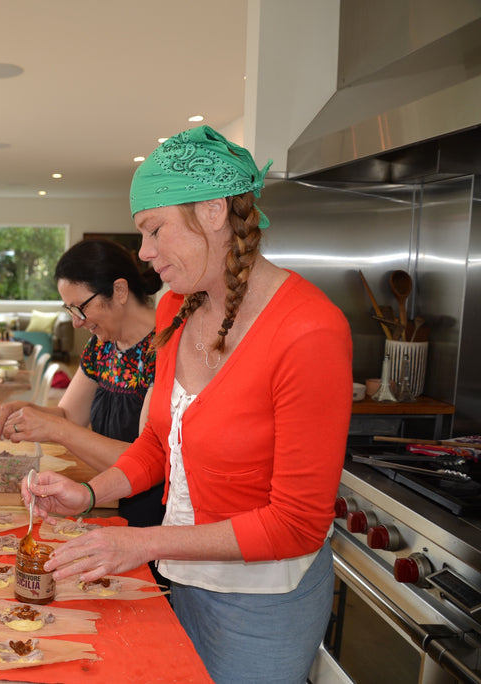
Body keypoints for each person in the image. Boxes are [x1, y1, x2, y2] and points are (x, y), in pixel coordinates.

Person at [24, 126, 352, 684]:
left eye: (154, 230)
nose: (145, 254)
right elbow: (158, 443)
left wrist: (144, 542)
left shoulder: (308, 330)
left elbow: (297, 523)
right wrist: (88, 494)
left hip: (261, 603)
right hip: (180, 580)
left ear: (214, 211)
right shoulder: (179, 307)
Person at [0, 238, 164, 532]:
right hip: (108, 498)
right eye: (70, 310)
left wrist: (56, 429)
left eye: (81, 308)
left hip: (153, 517)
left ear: (119, 291)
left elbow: (146, 460)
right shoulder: (103, 346)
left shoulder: (165, 349)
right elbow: (69, 416)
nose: (77, 322)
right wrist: (24, 410)